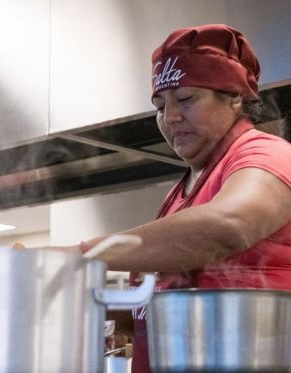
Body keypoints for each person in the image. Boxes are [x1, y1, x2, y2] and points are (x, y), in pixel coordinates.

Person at [74, 24, 291, 372]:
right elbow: (162, 312)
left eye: (186, 100)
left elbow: (228, 225)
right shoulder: (184, 190)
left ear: (234, 96)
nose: (170, 118)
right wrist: (86, 309)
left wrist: (82, 257)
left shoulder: (267, 154)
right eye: (160, 106)